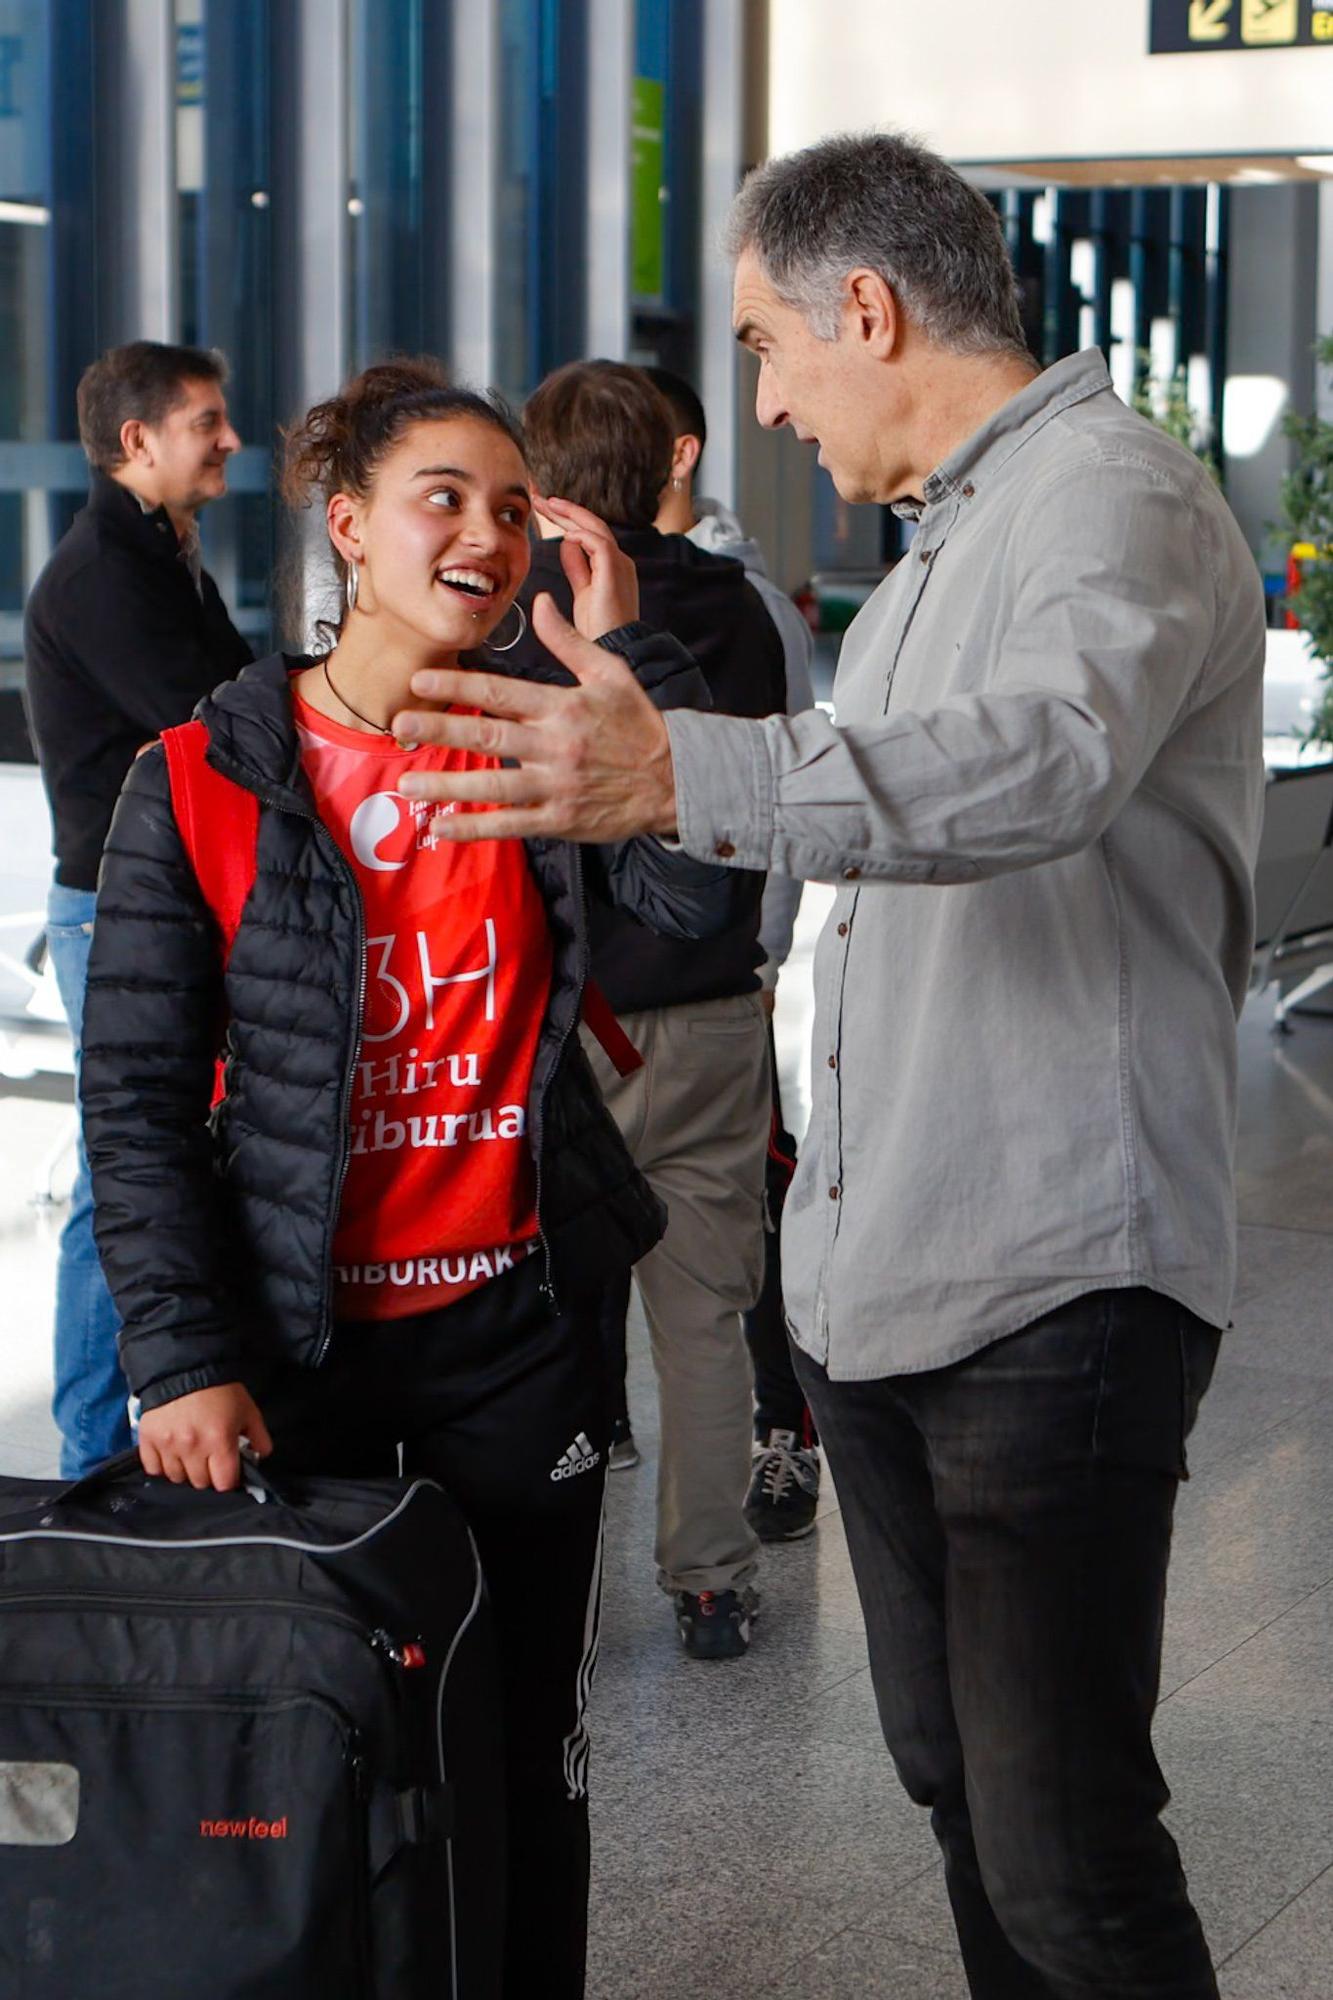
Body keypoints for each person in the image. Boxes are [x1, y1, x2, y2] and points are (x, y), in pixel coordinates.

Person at [383, 132, 1266, 2000]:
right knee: (961, 1794)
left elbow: (1038, 762)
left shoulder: (1105, 495)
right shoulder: (952, 530)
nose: (763, 400)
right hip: (901, 1284)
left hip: (1052, 1279)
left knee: (1063, 1848)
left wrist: (681, 775)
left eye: (770, 347)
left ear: (863, 308)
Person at [79, 359, 736, 1997]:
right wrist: (178, 1356)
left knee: (529, 1757)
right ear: (349, 524)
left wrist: (621, 657)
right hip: (298, 1359)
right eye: (443, 495)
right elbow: (141, 1096)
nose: (488, 532)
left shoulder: (536, 749)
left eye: (514, 507)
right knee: (303, 1766)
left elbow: (697, 905)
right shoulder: (204, 778)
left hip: (514, 1335)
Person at [511, 358, 786, 1658]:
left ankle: (554, 1577)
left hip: (571, 1023)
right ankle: (712, 1580)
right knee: (706, 1314)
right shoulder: (741, 612)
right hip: (716, 1011)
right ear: (667, 461)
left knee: (560, 1312)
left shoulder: (518, 620)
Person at [23, 339, 250, 1478]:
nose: (228, 440)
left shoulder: (161, 552)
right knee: (124, 1171)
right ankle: (91, 1456)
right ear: (137, 441)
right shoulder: (105, 575)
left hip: (146, 902)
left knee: (145, 1159)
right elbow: (211, 718)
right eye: (208, 421)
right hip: (114, 910)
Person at [647, 362, 822, 1542]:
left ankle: (785, 1429)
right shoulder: (546, 592)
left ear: (677, 454)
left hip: (719, 978)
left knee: (738, 1225)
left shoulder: (744, 602)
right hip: (601, 997)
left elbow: (788, 788)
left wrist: (760, 957)